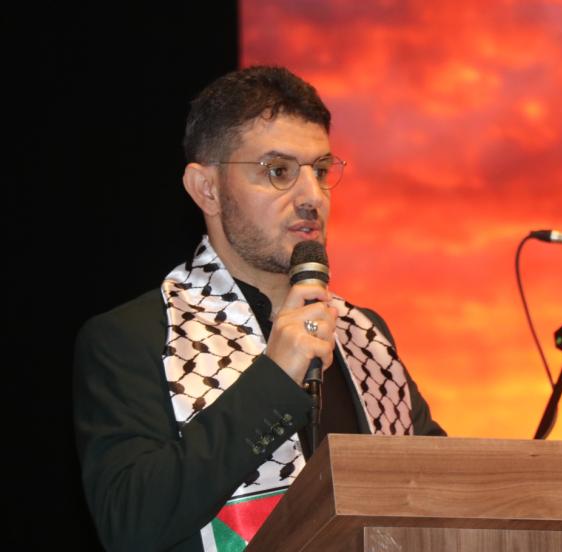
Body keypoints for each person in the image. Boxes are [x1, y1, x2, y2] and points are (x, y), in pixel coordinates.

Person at [73, 66, 445, 552]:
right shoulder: (133, 338)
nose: (312, 197)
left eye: (320, 170)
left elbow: (444, 491)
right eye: (278, 171)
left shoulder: (363, 337)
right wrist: (275, 378)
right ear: (207, 189)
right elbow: (131, 524)